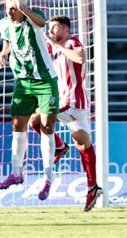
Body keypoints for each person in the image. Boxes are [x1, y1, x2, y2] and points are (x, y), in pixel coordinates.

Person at [28, 15, 103, 211]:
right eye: (50, 28)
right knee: (83, 144)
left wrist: (59, 46)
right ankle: (92, 187)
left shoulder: (72, 42)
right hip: (73, 105)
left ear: (66, 29)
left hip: (72, 102)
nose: (51, 31)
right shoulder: (51, 48)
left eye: (55, 28)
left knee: (35, 118)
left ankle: (60, 147)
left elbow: (79, 57)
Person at [0, 0, 59, 201]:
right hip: (22, 82)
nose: (9, 11)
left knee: (47, 126)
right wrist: (3, 53)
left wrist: (22, 9)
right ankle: (16, 173)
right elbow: (7, 43)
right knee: (17, 125)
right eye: (7, 8)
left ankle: (48, 177)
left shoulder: (35, 16)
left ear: (21, 8)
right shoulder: (4, 23)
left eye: (13, 8)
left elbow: (41, 23)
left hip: (45, 81)